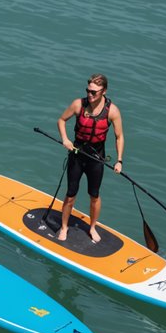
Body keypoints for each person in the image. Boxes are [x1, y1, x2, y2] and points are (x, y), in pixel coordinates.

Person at [56, 73, 125, 243]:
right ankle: (64, 227)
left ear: (104, 91)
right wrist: (65, 139)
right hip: (77, 155)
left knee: (94, 195)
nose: (90, 94)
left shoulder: (112, 111)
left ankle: (92, 227)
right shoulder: (78, 105)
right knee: (71, 194)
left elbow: (119, 137)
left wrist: (119, 161)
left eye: (94, 92)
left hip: (96, 158)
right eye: (88, 91)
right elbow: (61, 120)